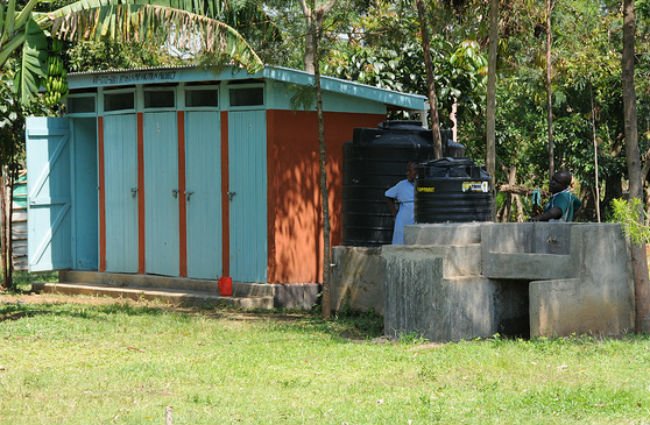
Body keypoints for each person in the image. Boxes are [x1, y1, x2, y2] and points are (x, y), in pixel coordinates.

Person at [385, 162, 417, 244]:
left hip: (417, 218)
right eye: (407, 171)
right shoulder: (401, 185)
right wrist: (395, 213)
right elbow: (388, 195)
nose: (407, 173)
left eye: (410, 171)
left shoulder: (424, 185)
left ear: (417, 171)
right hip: (403, 219)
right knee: (400, 242)